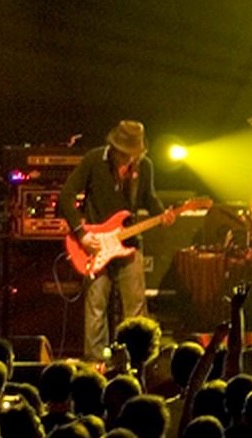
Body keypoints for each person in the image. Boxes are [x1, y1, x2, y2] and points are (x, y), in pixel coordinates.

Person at [59, 120, 175, 362]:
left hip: (129, 244)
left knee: (135, 307)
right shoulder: (94, 160)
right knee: (96, 306)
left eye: (132, 155)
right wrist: (82, 233)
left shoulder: (144, 167)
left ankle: (137, 360)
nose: (127, 160)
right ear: (113, 148)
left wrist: (162, 214)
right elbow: (66, 196)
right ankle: (95, 362)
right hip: (94, 245)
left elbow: (149, 199)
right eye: (124, 154)